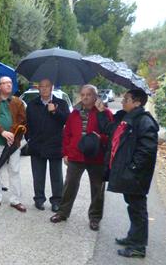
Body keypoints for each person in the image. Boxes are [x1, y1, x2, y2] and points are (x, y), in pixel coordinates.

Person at [96, 89, 158, 258]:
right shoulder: (126, 118)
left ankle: (138, 246)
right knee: (132, 206)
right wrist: (102, 112)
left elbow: (147, 151)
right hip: (127, 172)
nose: (123, 101)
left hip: (136, 175)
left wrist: (132, 169)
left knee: (138, 208)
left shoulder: (144, 121)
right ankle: (133, 237)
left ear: (137, 102)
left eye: (126, 99)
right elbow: (109, 130)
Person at [50, 85, 112, 231]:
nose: (85, 97)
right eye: (82, 94)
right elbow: (67, 134)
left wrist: (100, 138)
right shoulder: (75, 113)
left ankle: (95, 218)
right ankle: (63, 213)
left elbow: (111, 134)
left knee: (97, 189)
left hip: (96, 156)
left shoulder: (104, 113)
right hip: (76, 155)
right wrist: (65, 153)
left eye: (88, 94)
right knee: (70, 185)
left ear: (95, 96)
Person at [0, 76, 27, 212]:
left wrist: (12, 134)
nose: (8, 85)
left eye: (10, 83)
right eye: (5, 83)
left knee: (14, 170)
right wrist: (2, 132)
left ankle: (15, 200)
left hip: (13, 142)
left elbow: (22, 120)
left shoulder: (18, 103)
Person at [26, 79, 69, 212]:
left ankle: (57, 200)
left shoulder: (61, 103)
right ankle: (39, 199)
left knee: (56, 176)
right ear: (38, 88)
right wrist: (29, 139)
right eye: (41, 87)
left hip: (55, 144)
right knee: (38, 175)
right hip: (37, 145)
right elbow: (27, 124)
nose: (44, 89)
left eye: (47, 86)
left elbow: (67, 120)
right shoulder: (32, 104)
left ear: (52, 88)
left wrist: (55, 111)